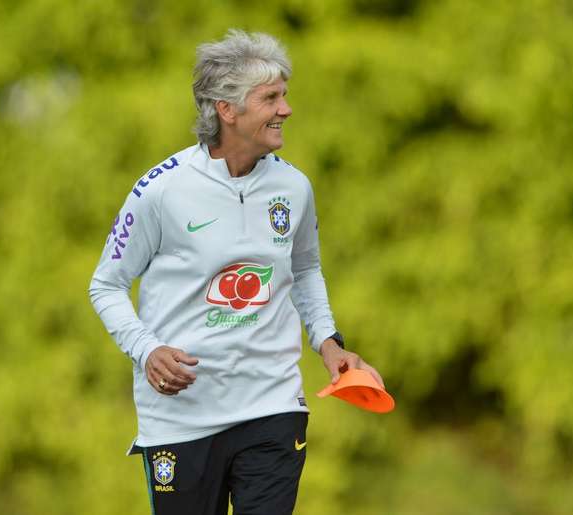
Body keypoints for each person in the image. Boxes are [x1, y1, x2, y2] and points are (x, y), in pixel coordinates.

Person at [89, 29, 384, 515]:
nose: (286, 109)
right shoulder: (159, 191)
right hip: (182, 419)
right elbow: (106, 284)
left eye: (284, 95)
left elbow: (306, 269)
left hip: (272, 405)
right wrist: (147, 351)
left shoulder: (294, 187)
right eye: (271, 97)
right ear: (226, 110)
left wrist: (329, 343)